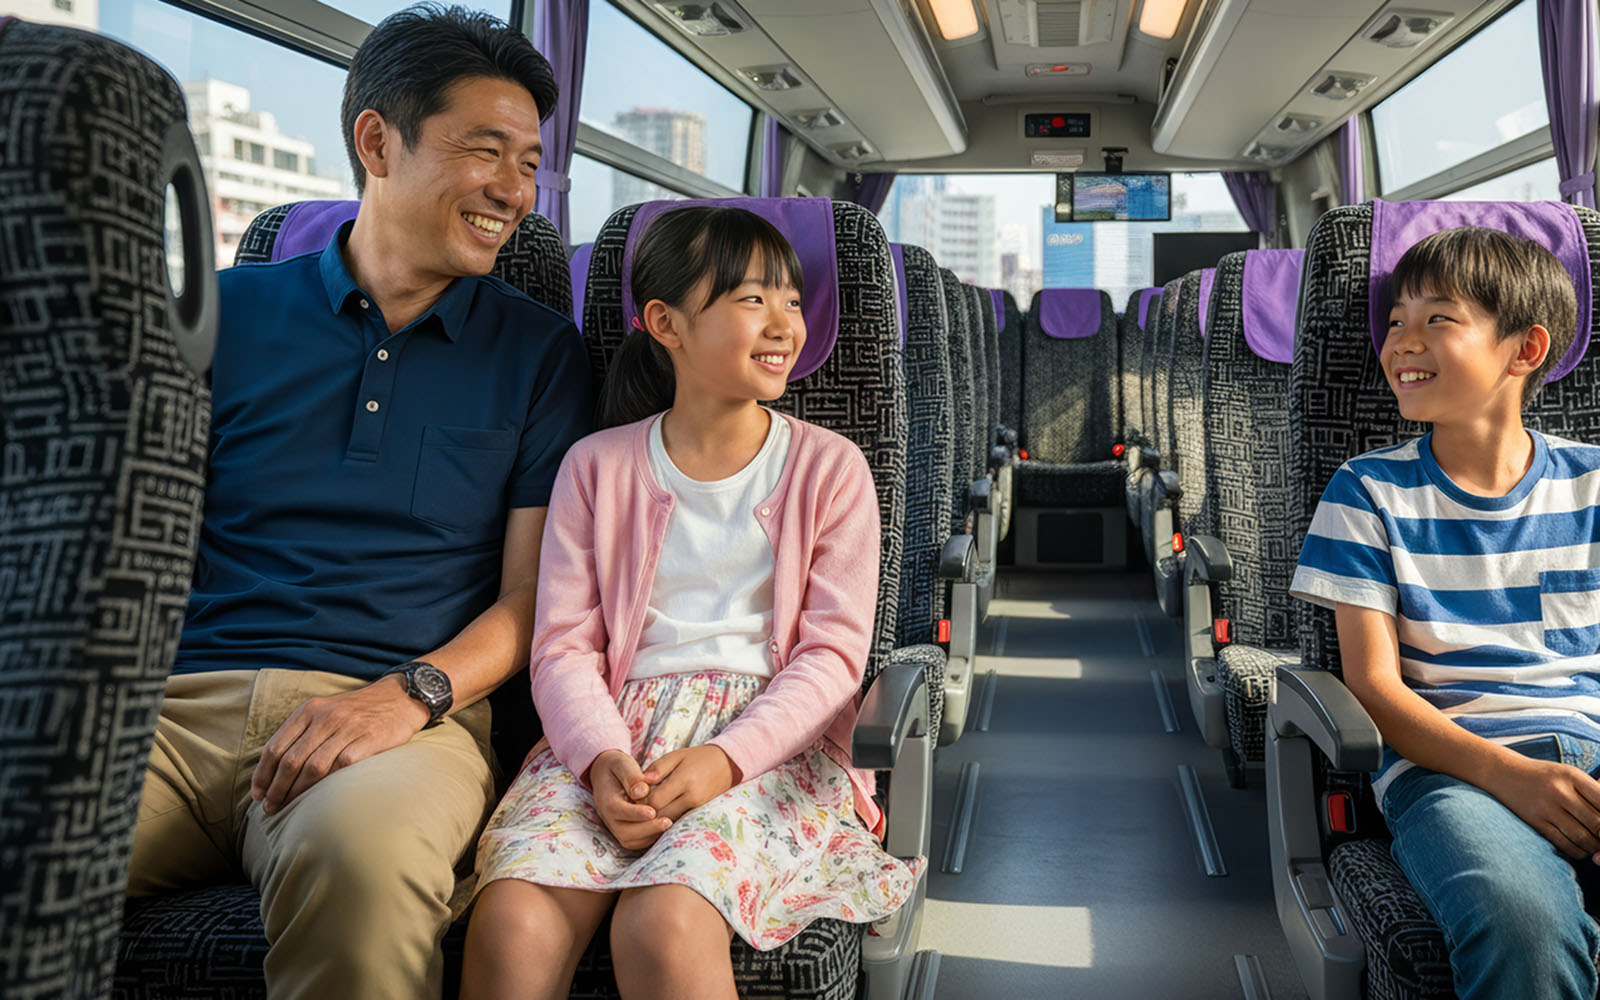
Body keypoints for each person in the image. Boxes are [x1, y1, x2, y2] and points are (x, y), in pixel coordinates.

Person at [123, 6, 591, 999]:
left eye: (528, 163)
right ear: (377, 142)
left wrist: (408, 695)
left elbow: (534, 598)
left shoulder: (542, 352)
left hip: (397, 721)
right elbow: (130, 545)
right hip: (171, 710)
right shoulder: (220, 313)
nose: (515, 191)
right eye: (485, 151)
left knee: (365, 874)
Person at [459, 206, 924, 1000]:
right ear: (665, 323)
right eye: (752, 299)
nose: (784, 323)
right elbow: (563, 647)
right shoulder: (594, 468)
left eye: (791, 300)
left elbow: (833, 657)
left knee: (664, 924)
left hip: (770, 745)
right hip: (611, 736)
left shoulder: (830, 468)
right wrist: (601, 758)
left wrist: (723, 760)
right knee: (512, 923)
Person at [1290, 225, 1600, 999]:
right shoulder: (1366, 492)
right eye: (1396, 321)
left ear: (1525, 350)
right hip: (1452, 770)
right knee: (1522, 924)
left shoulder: (1593, 484)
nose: (1402, 341)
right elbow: (1373, 687)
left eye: (1438, 319)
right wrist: (1512, 776)